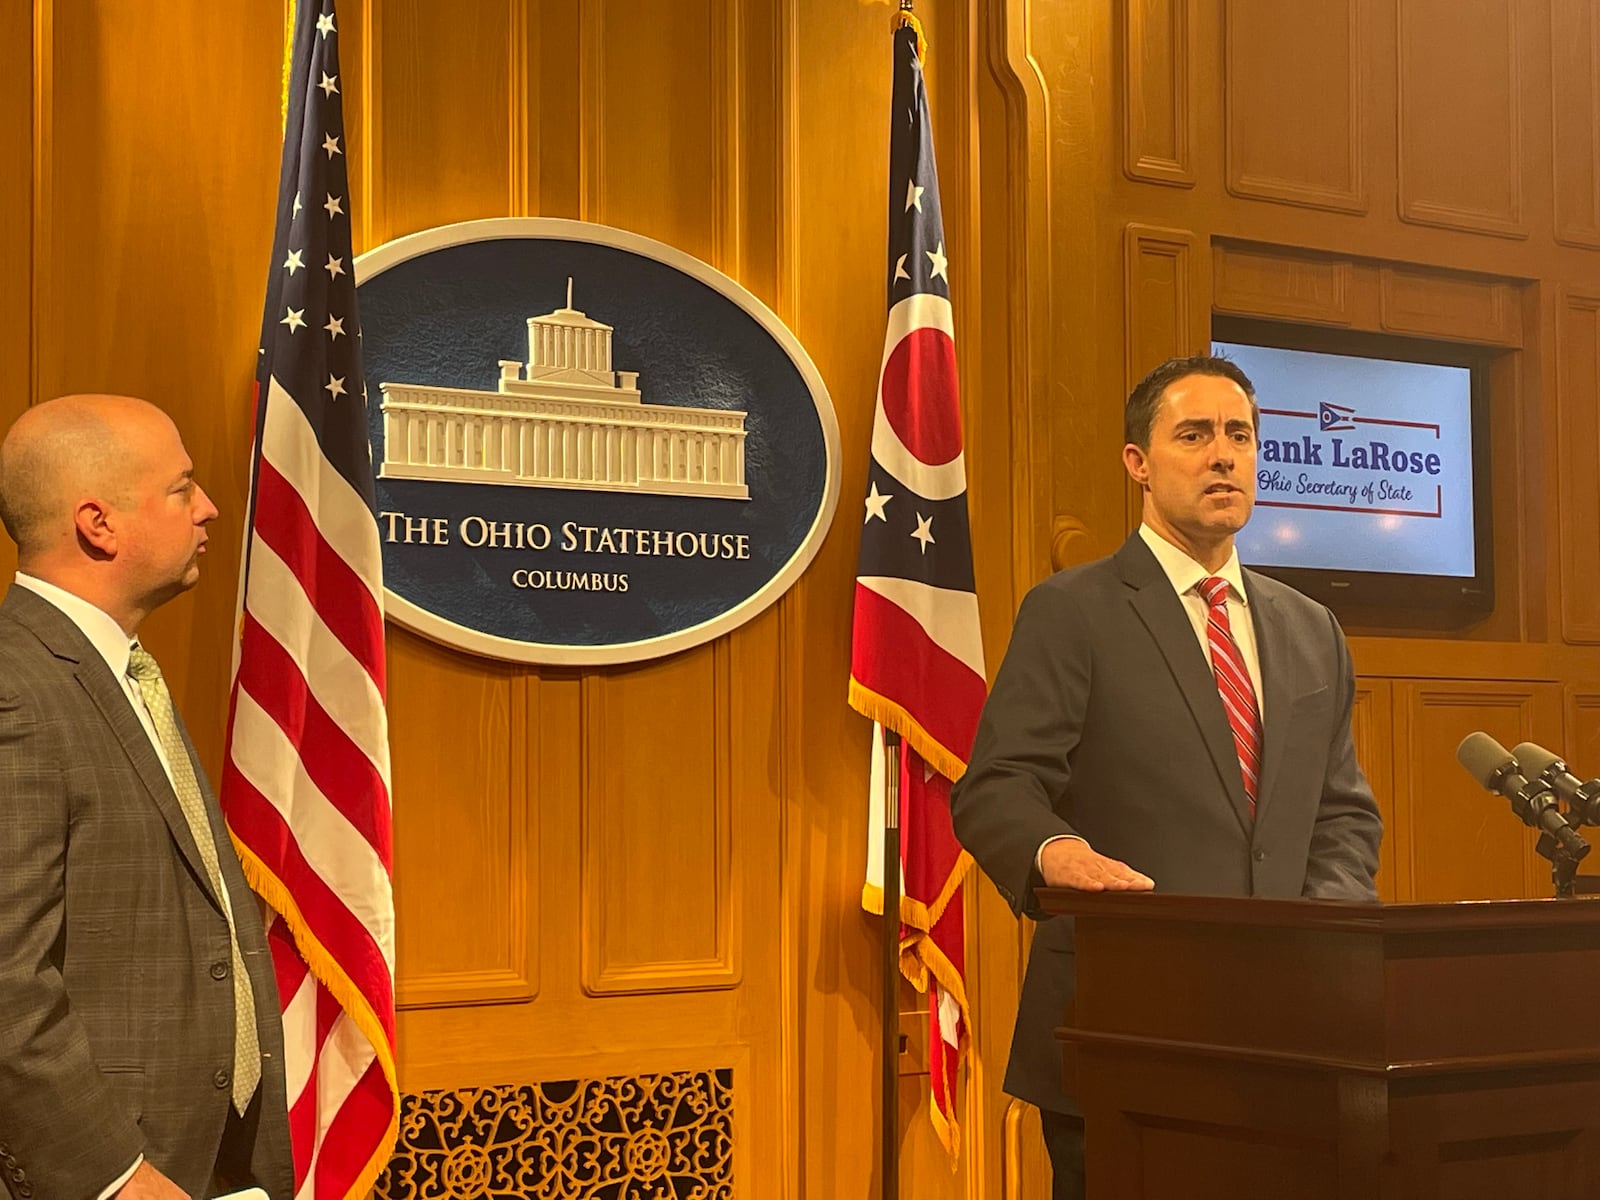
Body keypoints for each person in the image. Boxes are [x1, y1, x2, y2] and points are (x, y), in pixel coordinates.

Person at [949, 355, 1382, 1199]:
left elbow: (1342, 817)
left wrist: (1321, 943)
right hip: (1122, 1034)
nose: (1224, 455)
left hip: (1287, 1043)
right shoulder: (1074, 611)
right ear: (1137, 464)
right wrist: (1054, 852)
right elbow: (996, 788)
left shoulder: (1311, 628)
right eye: (1194, 435)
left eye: (1240, 435)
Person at [0, 395, 294, 1200]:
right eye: (181, 488)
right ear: (99, 524)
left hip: (212, 1160)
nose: (209, 508)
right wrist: (115, 1176)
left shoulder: (122, 671)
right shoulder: (16, 689)